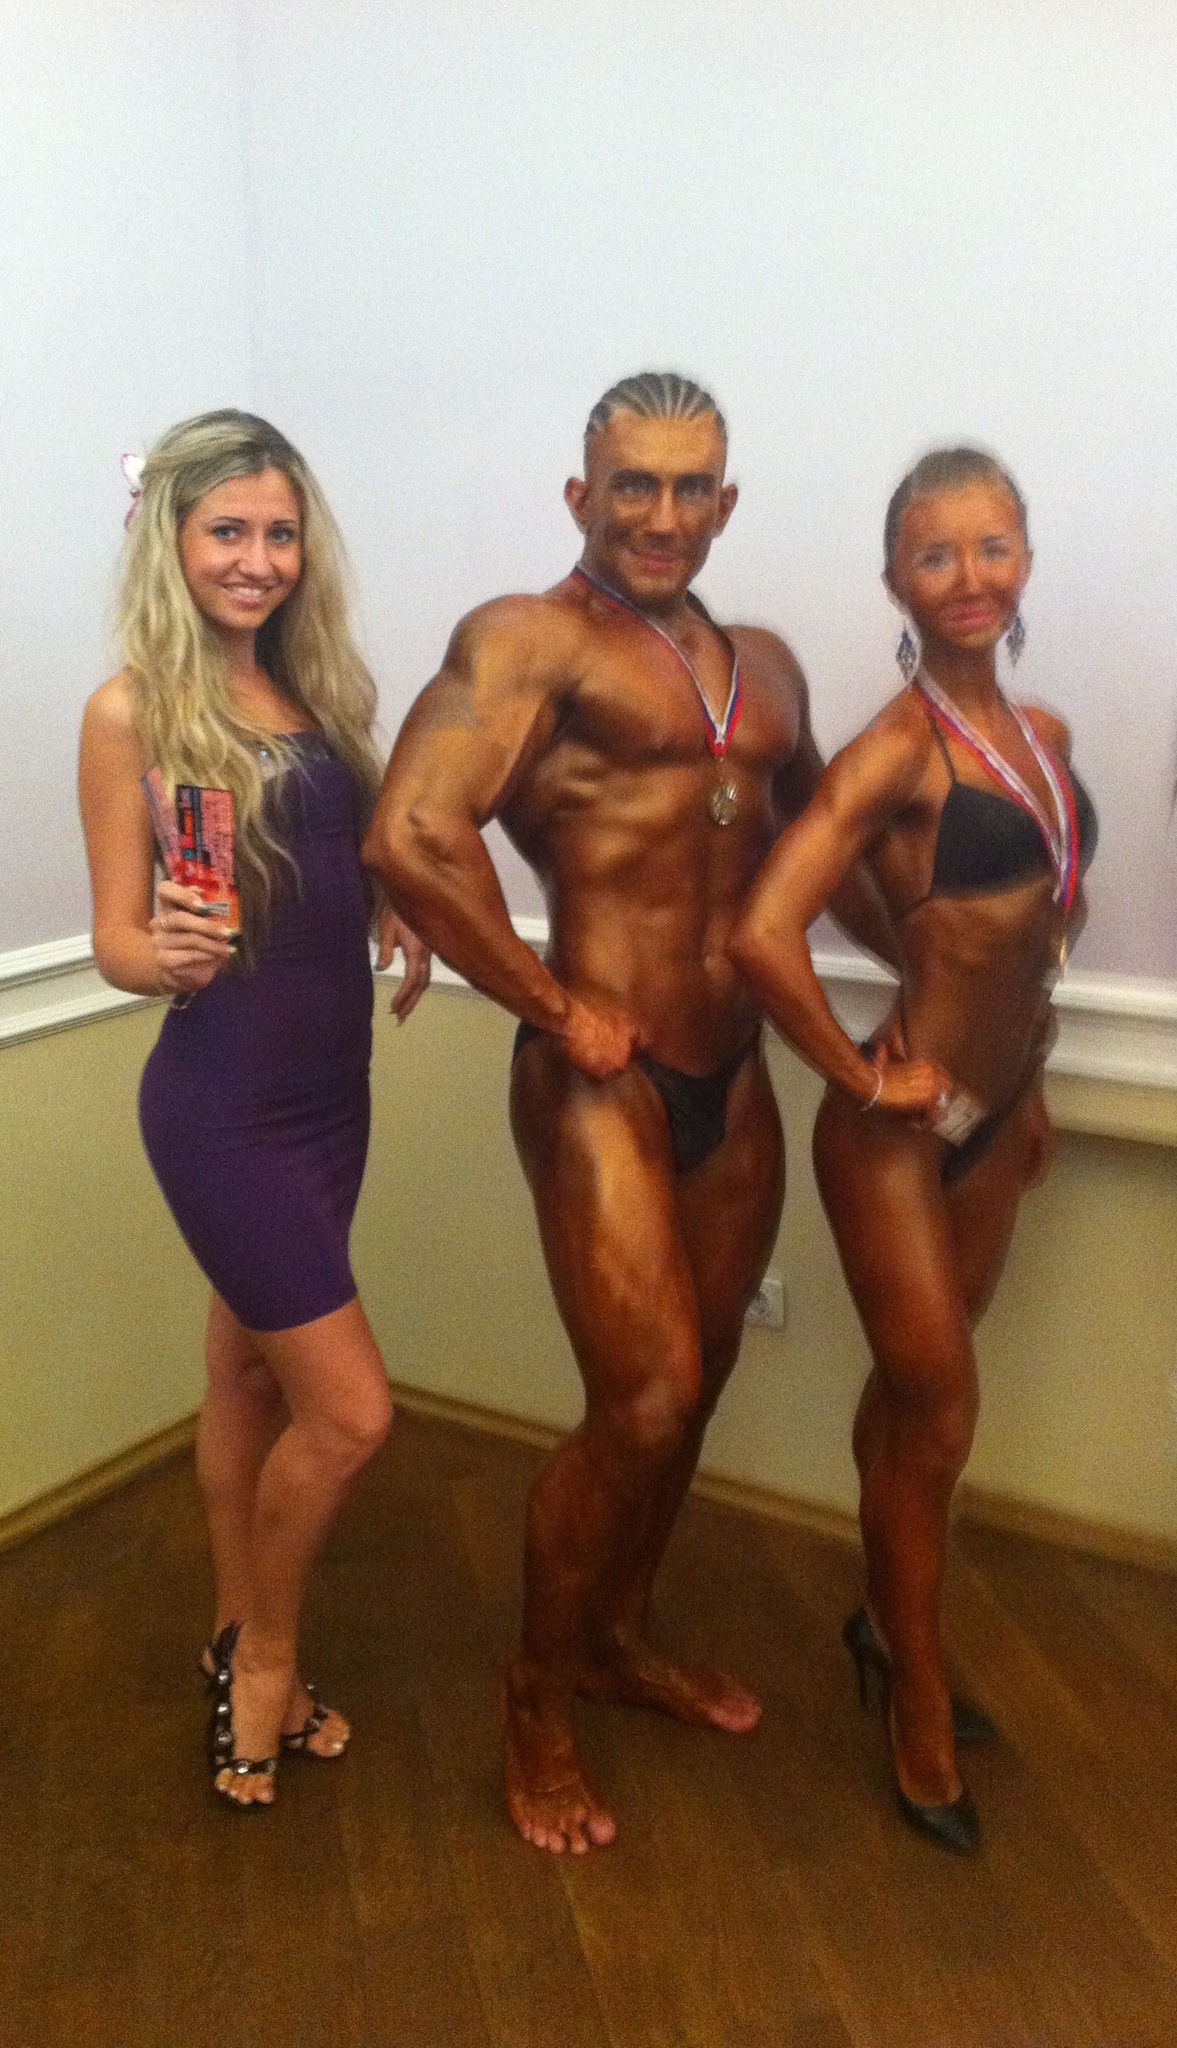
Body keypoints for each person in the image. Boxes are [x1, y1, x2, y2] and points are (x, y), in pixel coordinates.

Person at [363, 370, 895, 1852]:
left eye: (689, 487)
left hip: (735, 1070)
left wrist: (929, 978)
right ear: (580, 494)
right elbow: (410, 829)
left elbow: (820, 856)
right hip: (601, 1078)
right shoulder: (528, 639)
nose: (660, 514)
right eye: (632, 485)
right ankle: (534, 1694)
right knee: (643, 1400)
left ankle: (615, 1635)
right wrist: (550, 1004)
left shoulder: (765, 669)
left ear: (725, 502)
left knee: (698, 1382)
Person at [731, 447, 1098, 1854]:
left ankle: (883, 1626)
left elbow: (1036, 936)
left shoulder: (1042, 737)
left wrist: (1031, 1087)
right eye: (935, 554)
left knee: (909, 1403)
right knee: (940, 1413)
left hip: (996, 1120)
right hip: (891, 1140)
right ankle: (920, 1702)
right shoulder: (897, 748)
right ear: (895, 579)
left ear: (1025, 560)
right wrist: (854, 1072)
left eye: (992, 547)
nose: (967, 576)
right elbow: (763, 930)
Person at [79, 410, 430, 1807]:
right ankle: (270, 1660)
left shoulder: (314, 693)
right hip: (221, 1107)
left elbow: (346, 851)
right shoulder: (131, 713)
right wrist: (156, 953)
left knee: (244, 1377)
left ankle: (232, 1627)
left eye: (280, 533)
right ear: (170, 540)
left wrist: (398, 897)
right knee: (351, 1415)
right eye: (228, 530)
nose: (257, 558)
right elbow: (115, 938)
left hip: (332, 1098)